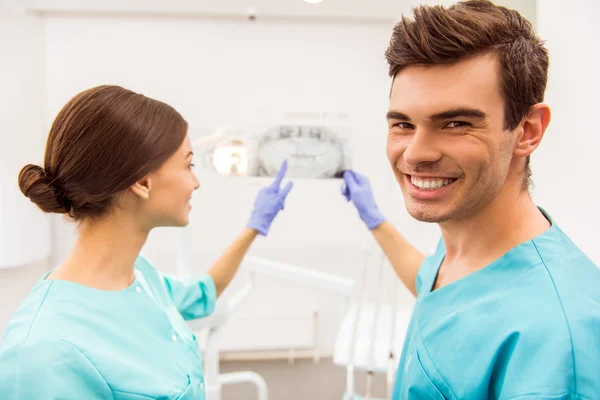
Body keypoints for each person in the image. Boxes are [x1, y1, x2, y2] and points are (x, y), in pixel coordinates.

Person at [342, 1, 600, 399]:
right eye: (403, 124)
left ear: (527, 130)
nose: (414, 153)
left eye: (456, 123)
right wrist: (373, 218)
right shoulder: (465, 250)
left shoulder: (555, 338)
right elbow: (433, 282)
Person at [0, 85, 293, 399]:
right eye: (188, 165)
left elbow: (205, 292)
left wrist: (254, 226)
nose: (196, 182)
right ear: (142, 182)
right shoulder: (44, 351)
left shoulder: (141, 277)